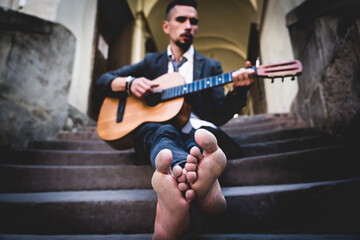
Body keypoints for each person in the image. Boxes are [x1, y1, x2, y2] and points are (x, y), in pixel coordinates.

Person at [96, 0, 255, 239]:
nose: (188, 25)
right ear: (166, 26)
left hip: (198, 127)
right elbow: (103, 81)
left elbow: (218, 114)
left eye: (193, 21)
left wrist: (239, 91)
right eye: (181, 19)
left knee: (200, 137)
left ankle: (181, 180)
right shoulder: (151, 63)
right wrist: (129, 83)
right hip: (157, 130)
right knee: (161, 132)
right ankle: (198, 179)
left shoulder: (211, 66)